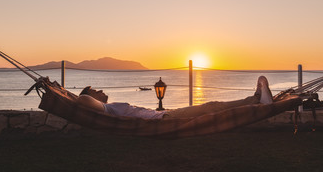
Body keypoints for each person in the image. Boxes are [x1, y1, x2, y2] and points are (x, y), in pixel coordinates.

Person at [76, 76, 273, 119]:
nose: (101, 92)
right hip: (163, 119)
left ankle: (255, 102)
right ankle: (256, 101)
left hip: (163, 114)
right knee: (212, 107)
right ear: (91, 97)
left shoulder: (110, 108)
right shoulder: (107, 109)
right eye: (96, 92)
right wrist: (72, 95)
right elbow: (81, 100)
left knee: (213, 107)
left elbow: (83, 100)